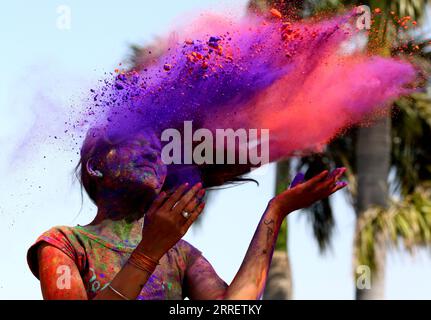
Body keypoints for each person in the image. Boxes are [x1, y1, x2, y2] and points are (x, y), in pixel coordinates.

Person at [27, 129, 347, 300]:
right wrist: (149, 252)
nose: (154, 153)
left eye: (158, 149)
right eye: (135, 145)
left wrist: (276, 211)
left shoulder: (180, 255)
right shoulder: (63, 244)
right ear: (96, 164)